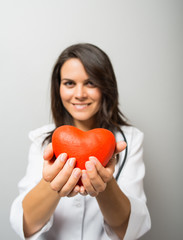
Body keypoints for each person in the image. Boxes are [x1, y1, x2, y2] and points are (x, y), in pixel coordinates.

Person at [10, 43, 151, 240]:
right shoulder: (41, 140)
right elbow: (25, 224)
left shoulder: (129, 140)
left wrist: (106, 183)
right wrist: (52, 182)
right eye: (69, 83)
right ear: (58, 88)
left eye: (91, 82)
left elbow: (129, 230)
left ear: (106, 86)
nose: (79, 94)